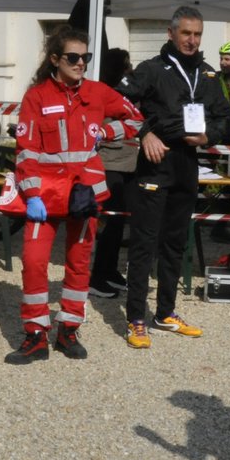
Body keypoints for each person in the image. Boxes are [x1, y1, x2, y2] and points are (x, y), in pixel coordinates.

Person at [3, 27, 140, 362]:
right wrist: (31, 193)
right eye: (73, 57)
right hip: (44, 197)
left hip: (83, 194)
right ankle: (35, 335)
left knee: (79, 265)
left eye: (86, 57)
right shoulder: (37, 96)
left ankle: (68, 329)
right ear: (55, 59)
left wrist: (107, 131)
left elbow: (136, 120)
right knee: (34, 263)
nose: (81, 63)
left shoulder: (98, 92)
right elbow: (26, 151)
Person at [117, 5, 230, 348]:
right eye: (186, 33)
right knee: (144, 242)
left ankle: (165, 312)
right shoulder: (151, 70)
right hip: (156, 160)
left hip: (188, 162)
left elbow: (225, 120)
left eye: (197, 34)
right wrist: (144, 134)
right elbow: (118, 102)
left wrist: (208, 136)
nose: (192, 40)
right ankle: (136, 317)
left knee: (175, 243)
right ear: (171, 33)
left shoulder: (209, 75)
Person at [88, 47, 135, 298]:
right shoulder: (106, 94)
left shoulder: (123, 92)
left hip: (126, 164)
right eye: (127, 64)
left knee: (118, 223)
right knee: (108, 222)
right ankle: (97, 276)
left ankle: (109, 270)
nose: (131, 69)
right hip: (110, 164)